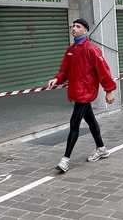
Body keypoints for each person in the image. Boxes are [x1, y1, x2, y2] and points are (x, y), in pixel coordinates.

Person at [48, 18, 116, 173]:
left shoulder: (91, 49)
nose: (74, 29)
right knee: (91, 121)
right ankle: (102, 148)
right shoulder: (71, 50)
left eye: (78, 26)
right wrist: (57, 79)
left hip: (86, 93)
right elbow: (64, 70)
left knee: (74, 123)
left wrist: (109, 90)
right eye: (73, 26)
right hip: (76, 92)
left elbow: (104, 70)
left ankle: (65, 160)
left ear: (85, 30)